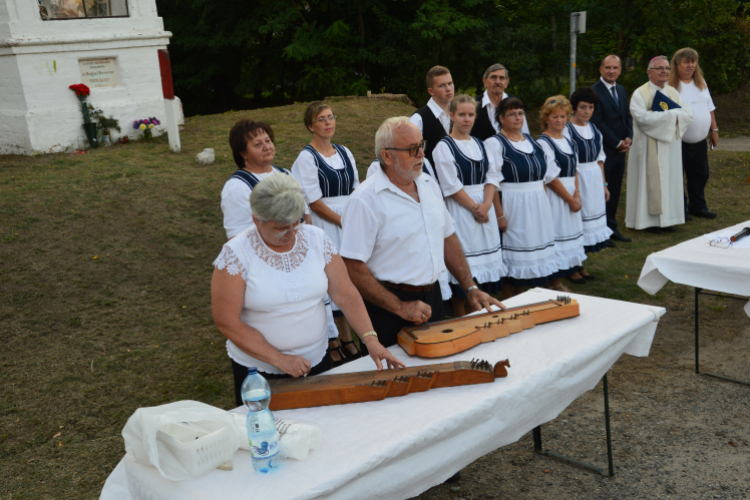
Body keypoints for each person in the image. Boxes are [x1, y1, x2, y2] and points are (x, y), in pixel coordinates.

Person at [211, 174, 404, 407]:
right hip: (260, 373)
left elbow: (345, 294)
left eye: (297, 222)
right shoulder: (236, 254)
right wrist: (278, 359)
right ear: (256, 219)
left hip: (317, 360)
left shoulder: (316, 239)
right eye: (281, 228)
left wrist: (370, 339)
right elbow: (227, 321)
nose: (292, 233)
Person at [340, 117, 504, 348]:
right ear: (387, 156)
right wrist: (400, 307)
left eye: (421, 146)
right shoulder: (365, 200)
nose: (421, 155)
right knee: (398, 379)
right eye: (412, 149)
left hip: (432, 298)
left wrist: (470, 287)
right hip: (387, 306)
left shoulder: (427, 183)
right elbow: (353, 266)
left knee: (438, 368)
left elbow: (447, 237)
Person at [291, 101, 361, 364]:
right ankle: (331, 340)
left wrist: (354, 218)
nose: (328, 122)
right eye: (322, 119)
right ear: (311, 125)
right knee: (328, 282)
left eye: (331, 117)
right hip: (325, 225)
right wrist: (344, 221)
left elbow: (355, 188)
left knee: (347, 280)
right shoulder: (307, 158)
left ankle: (348, 337)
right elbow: (315, 201)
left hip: (348, 220)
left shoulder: (344, 152)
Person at [432, 94, 505, 316]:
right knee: (463, 261)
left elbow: (492, 177)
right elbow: (451, 185)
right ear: (451, 116)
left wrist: (486, 205)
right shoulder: (443, 147)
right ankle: (461, 313)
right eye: (462, 114)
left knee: (484, 266)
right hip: (461, 210)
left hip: (484, 206)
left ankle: (483, 308)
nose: (467, 119)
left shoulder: (481, 145)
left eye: (471, 114)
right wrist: (476, 208)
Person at [484, 97, 560, 297]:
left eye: (520, 113)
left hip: (537, 204)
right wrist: (499, 215)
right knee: (513, 255)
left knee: (533, 251)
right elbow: (492, 182)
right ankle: (510, 298)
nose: (517, 117)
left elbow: (542, 179)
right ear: (501, 118)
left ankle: (527, 294)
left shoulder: (532, 141)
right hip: (513, 204)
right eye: (512, 114)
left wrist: (544, 206)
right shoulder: (494, 143)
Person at [625, 56, 694, 233]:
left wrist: (671, 116)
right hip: (648, 146)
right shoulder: (640, 94)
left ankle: (668, 220)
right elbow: (642, 118)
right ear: (650, 72)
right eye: (659, 68)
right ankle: (648, 222)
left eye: (667, 68)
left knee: (669, 181)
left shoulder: (673, 92)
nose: (665, 71)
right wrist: (672, 115)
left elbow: (687, 113)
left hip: (670, 146)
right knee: (649, 182)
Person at [536, 96, 587, 290]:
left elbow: (574, 168)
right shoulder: (543, 142)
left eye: (562, 116)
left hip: (570, 193)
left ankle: (569, 269)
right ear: (546, 119)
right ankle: (553, 279)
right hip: (556, 196)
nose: (559, 120)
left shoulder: (567, 140)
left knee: (570, 233)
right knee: (556, 234)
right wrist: (569, 199)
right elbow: (550, 177)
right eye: (555, 117)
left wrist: (577, 193)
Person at [222, 119, 302, 239]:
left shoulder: (285, 173)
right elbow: (237, 236)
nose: (266, 147)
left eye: (268, 141)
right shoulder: (237, 186)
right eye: (258, 144)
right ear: (243, 153)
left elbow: (304, 214)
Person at [564, 88, 613, 281]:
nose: (586, 111)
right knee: (575, 223)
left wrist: (604, 185)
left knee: (586, 224)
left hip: (593, 179)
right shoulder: (567, 130)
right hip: (577, 179)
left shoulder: (594, 129)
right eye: (583, 107)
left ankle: (580, 264)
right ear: (574, 108)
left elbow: (600, 159)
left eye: (590, 107)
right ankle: (571, 267)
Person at [669, 47, 718, 219]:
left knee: (700, 174)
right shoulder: (671, 86)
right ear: (677, 64)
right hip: (678, 141)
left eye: (693, 62)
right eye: (686, 62)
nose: (690, 65)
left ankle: (697, 206)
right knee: (677, 175)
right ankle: (680, 209)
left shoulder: (701, 83)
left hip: (699, 142)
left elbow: (710, 108)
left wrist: (714, 130)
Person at [590, 55, 634, 242]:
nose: (611, 71)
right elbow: (596, 121)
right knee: (602, 191)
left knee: (615, 190)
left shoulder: (622, 90)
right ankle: (600, 231)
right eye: (607, 67)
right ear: (601, 69)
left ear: (620, 70)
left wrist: (628, 138)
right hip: (603, 151)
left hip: (621, 150)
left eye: (615, 68)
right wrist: (616, 142)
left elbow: (627, 115)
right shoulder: (594, 91)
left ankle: (612, 227)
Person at [471, 63, 530, 141]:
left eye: (502, 78)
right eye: (493, 77)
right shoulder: (473, 104)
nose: (498, 82)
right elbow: (464, 136)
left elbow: (525, 133)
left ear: (507, 82)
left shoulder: (515, 102)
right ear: (484, 81)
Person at [409, 66, 454, 167]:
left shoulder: (460, 113)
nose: (448, 89)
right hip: (429, 179)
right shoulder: (418, 119)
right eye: (442, 85)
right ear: (431, 91)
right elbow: (409, 154)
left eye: (450, 83)